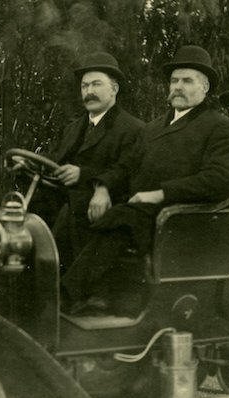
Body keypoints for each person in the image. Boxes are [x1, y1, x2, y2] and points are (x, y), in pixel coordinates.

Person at [61, 45, 229, 316]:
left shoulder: (219, 126)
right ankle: (93, 297)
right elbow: (125, 166)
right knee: (81, 205)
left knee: (119, 218)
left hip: (181, 218)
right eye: (174, 80)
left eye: (187, 81)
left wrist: (159, 194)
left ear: (204, 88)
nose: (178, 87)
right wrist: (102, 187)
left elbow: (220, 180)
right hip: (141, 209)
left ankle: (69, 295)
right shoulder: (154, 127)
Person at [30, 52, 145, 271]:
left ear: (114, 89)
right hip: (64, 202)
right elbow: (55, 158)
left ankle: (69, 289)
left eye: (96, 84)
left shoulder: (132, 129)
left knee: (69, 213)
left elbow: (128, 172)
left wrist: (84, 175)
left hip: (104, 205)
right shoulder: (73, 128)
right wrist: (28, 163)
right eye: (84, 86)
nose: (89, 92)